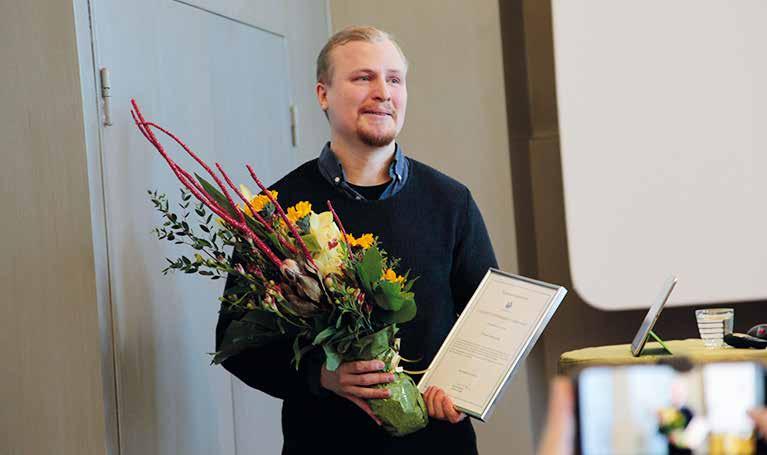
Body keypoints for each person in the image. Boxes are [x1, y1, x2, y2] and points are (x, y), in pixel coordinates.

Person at [216, 26, 497, 454]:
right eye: (363, 77)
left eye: (395, 79)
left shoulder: (452, 202)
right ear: (323, 94)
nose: (383, 92)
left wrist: (465, 391)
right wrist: (320, 375)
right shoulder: (275, 211)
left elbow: (489, 326)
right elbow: (235, 345)